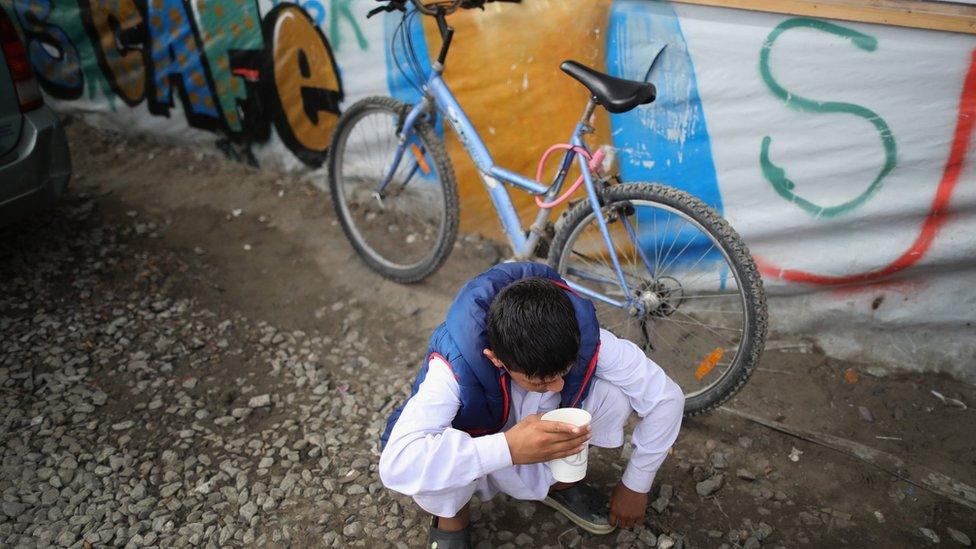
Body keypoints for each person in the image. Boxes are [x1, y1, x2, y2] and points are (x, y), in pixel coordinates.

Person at [379, 263, 684, 548]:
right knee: (429, 455)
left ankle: (557, 486)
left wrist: (636, 484)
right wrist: (508, 447)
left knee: (613, 395)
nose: (558, 387)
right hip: (485, 446)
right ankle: (453, 518)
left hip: (524, 441)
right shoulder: (453, 367)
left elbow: (667, 398)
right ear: (496, 359)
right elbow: (397, 463)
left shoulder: (588, 338)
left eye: (562, 373)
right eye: (540, 382)